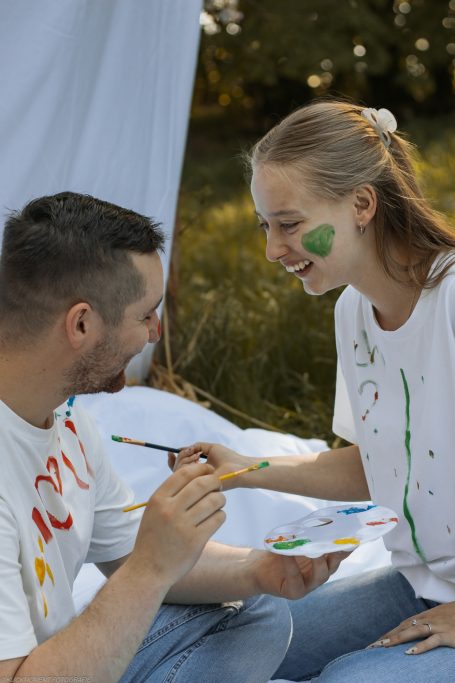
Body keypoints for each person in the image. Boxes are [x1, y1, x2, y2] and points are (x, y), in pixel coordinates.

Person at [0, 191, 347, 683]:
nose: (156, 332)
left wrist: (260, 569)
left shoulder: (67, 419)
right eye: (145, 315)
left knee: (257, 611)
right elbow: (139, 568)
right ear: (81, 323)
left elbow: (124, 554)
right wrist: (151, 568)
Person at [174, 101, 455, 681]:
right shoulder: (353, 312)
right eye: (265, 226)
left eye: (290, 224)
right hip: (417, 584)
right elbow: (375, 465)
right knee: (231, 644)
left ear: (362, 205)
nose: (273, 249)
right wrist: (246, 469)